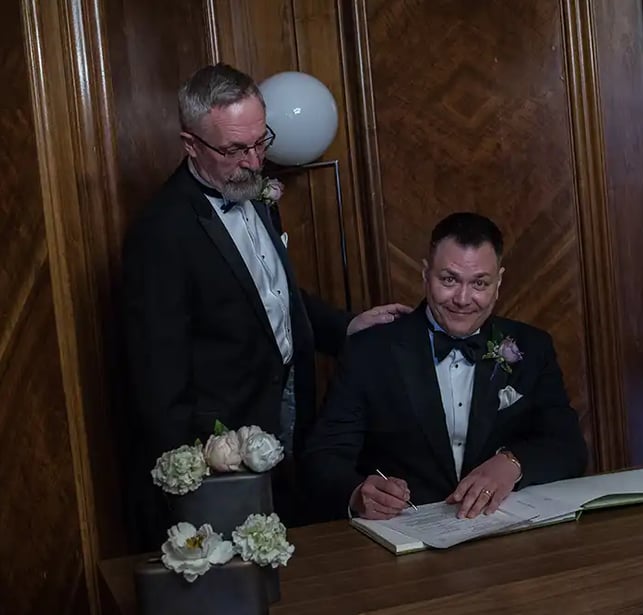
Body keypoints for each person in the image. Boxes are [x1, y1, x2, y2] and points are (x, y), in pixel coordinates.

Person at [122, 63, 408, 539]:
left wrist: (345, 326)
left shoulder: (253, 190)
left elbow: (272, 292)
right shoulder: (161, 232)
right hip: (221, 450)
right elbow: (159, 381)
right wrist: (191, 480)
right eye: (235, 149)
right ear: (191, 144)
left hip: (290, 420)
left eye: (261, 142)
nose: (254, 162)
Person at [302, 212, 587, 521]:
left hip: (505, 527)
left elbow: (569, 446)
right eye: (449, 280)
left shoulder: (531, 347)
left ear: (499, 281)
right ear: (426, 274)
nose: (463, 299)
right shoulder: (369, 351)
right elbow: (323, 457)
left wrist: (512, 463)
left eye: (479, 283)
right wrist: (357, 493)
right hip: (403, 533)